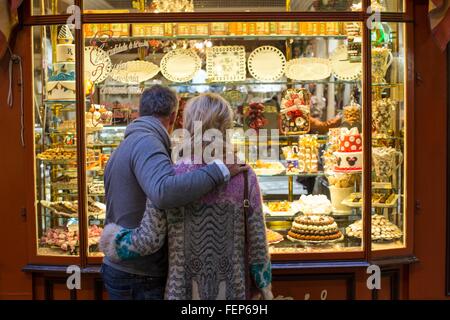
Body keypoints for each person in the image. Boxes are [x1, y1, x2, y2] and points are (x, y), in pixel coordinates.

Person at [100, 93, 273, 300]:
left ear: (189, 124)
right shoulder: (244, 175)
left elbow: (149, 239)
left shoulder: (174, 174)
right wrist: (263, 287)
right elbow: (258, 244)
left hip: (183, 291)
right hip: (232, 290)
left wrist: (112, 241)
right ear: (227, 126)